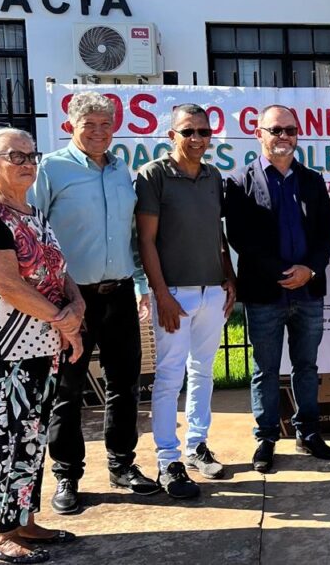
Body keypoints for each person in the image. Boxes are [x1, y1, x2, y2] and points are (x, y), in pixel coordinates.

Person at [29, 91, 159, 516]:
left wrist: (140, 284)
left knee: (125, 384)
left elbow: (131, 237)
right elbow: (33, 232)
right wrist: (49, 295)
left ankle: (122, 465)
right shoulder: (51, 169)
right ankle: (67, 474)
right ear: (70, 126)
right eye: (90, 125)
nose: (99, 132)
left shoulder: (121, 170)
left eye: (106, 124)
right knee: (68, 389)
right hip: (70, 298)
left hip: (118, 293)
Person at [0, 127, 85, 563]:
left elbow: (58, 270)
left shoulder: (34, 212)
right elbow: (7, 284)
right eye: (14, 156)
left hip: (44, 342)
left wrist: (76, 305)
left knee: (33, 436)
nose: (26, 163)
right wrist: (64, 320)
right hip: (9, 345)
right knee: (7, 438)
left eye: (31, 155)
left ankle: (25, 520)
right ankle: (1, 533)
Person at [224, 104, 330, 473]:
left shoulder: (312, 180)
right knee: (266, 369)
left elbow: (327, 232)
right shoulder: (239, 181)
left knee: (307, 366)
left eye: (290, 130)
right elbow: (240, 237)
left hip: (308, 292)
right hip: (265, 292)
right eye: (275, 130)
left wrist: (310, 269)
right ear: (258, 134)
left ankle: (309, 433)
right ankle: (267, 438)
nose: (283, 137)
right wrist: (282, 271)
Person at [135, 104, 237, 498]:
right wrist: (160, 293)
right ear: (172, 135)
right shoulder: (154, 175)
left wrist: (229, 276)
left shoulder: (213, 176)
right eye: (188, 131)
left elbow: (217, 233)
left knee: (203, 371)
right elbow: (146, 240)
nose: (196, 139)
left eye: (203, 132)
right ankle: (167, 460)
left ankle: (197, 446)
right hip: (174, 294)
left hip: (212, 291)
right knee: (168, 378)